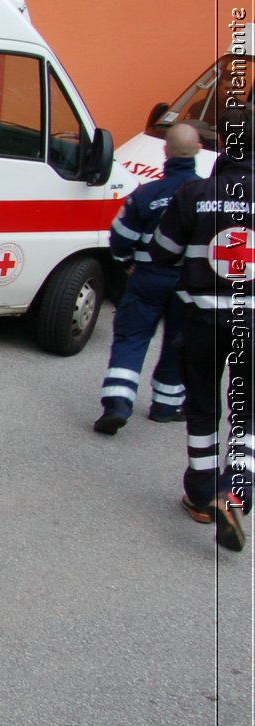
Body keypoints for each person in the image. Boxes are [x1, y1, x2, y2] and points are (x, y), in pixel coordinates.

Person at [149, 102, 252, 551]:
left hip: (203, 319)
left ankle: (201, 494)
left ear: (218, 146)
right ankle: (237, 493)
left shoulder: (192, 193)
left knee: (204, 408)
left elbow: (163, 251)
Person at [93, 123, 203, 435]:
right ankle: (166, 407)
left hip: (147, 278)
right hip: (188, 284)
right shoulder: (205, 195)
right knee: (178, 344)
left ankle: (117, 403)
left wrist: (126, 262)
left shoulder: (146, 192)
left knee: (131, 338)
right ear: (196, 151)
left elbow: (120, 235)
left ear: (165, 152)